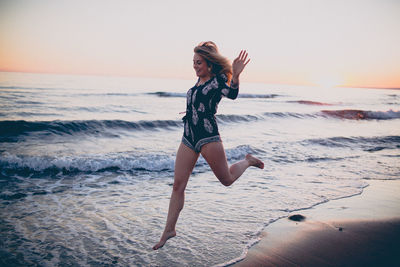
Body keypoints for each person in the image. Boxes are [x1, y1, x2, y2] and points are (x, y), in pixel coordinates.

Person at [153, 41, 264, 250]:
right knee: (178, 185)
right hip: (188, 136)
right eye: (193, 62)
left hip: (208, 136)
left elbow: (231, 94)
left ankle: (248, 161)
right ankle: (169, 230)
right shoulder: (197, 83)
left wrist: (237, 76)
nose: (195, 66)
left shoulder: (218, 80)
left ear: (209, 63)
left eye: (199, 62)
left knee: (227, 179)